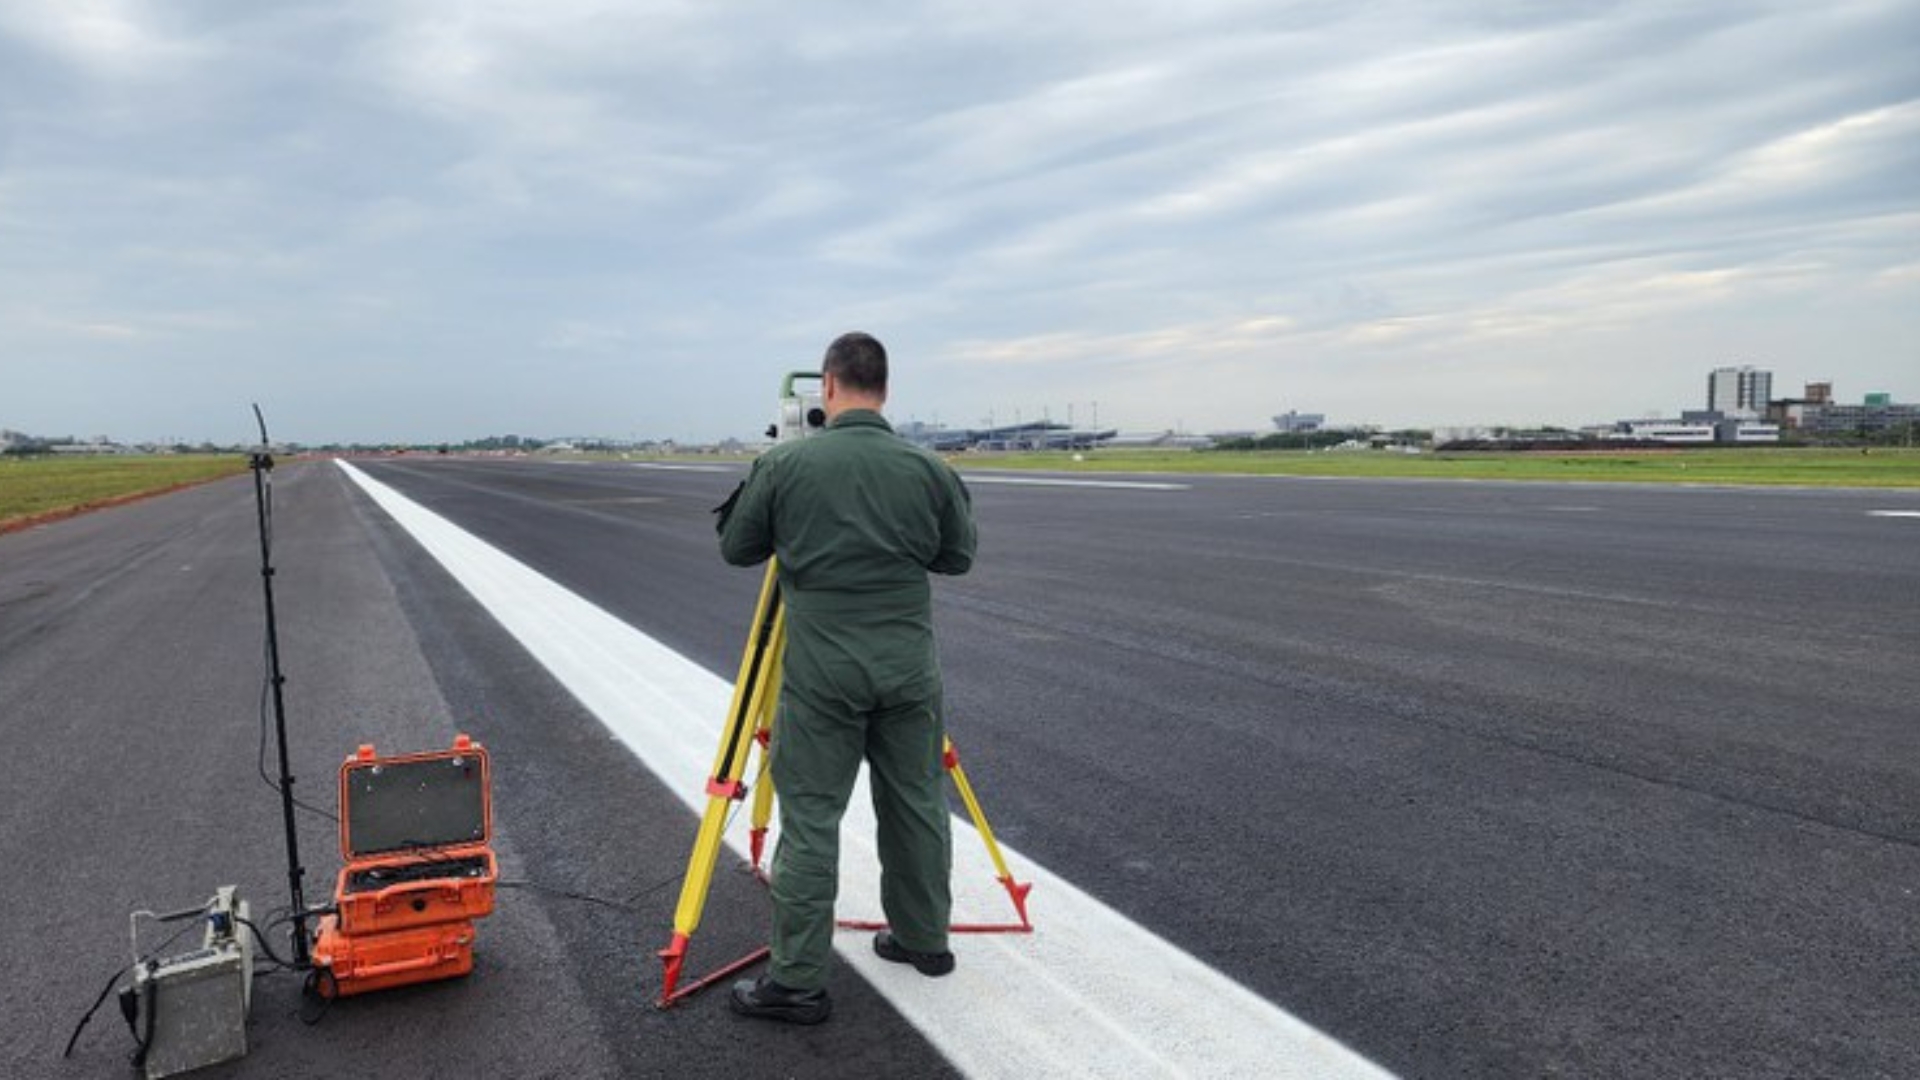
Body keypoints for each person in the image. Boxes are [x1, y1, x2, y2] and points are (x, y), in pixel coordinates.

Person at [716, 331, 978, 1025]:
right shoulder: (928, 469)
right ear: (884, 391)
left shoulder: (790, 464)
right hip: (908, 671)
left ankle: (798, 978)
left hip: (823, 675)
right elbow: (958, 558)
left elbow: (737, 547)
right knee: (918, 805)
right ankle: (925, 940)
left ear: (826, 389)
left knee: (810, 819)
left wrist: (771, 475)